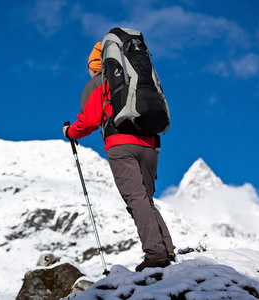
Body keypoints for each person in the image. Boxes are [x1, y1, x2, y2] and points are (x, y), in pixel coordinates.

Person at [63, 42, 175, 272]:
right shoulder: (137, 77)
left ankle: (155, 254)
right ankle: (167, 249)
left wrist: (70, 132)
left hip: (121, 144)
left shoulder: (98, 81)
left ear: (95, 65)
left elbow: (89, 121)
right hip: (150, 144)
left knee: (136, 198)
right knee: (146, 198)